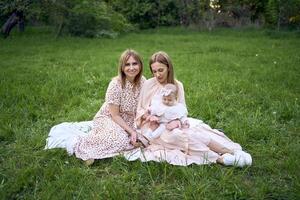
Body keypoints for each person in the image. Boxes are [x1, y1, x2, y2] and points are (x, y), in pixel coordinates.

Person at [135, 51, 252, 167]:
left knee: (197, 133)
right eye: (154, 71)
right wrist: (150, 117)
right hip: (153, 128)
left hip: (175, 123)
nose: (157, 75)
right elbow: (140, 109)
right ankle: (219, 158)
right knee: (178, 137)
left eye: (161, 70)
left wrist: (177, 121)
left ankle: (231, 151)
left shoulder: (177, 85)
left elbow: (182, 109)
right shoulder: (149, 84)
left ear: (168, 68)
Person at [73, 49, 145, 166]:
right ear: (122, 67)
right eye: (127, 64)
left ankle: (128, 141)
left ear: (140, 65)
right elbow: (114, 115)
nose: (131, 68)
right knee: (119, 140)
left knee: (147, 138)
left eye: (135, 63)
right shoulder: (115, 84)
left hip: (131, 119)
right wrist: (131, 131)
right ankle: (85, 150)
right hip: (110, 118)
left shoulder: (143, 81)